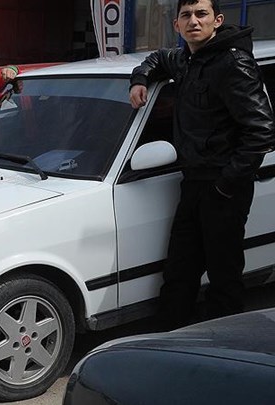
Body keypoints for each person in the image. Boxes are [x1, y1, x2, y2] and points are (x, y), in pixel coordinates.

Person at [129, 0, 275, 329]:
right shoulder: (186, 59)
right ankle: (170, 336)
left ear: (217, 21)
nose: (194, 21)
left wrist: (226, 183)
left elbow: (262, 130)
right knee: (181, 266)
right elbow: (157, 59)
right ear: (177, 25)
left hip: (224, 185)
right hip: (193, 180)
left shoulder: (233, 63)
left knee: (223, 272)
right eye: (186, 16)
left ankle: (223, 346)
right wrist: (139, 79)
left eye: (201, 14)